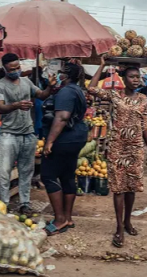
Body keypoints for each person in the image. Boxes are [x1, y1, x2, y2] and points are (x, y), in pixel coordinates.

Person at [88, 57, 147, 248]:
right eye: (131, 77)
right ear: (123, 79)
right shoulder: (114, 95)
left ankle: (127, 222)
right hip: (117, 147)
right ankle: (118, 227)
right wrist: (102, 65)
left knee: (131, 187)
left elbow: (145, 124)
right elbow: (91, 89)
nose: (135, 79)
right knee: (118, 188)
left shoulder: (143, 99)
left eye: (137, 77)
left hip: (135, 148)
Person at [0, 53, 55, 214]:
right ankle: (3, 204)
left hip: (28, 133)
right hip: (8, 134)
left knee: (26, 171)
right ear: (5, 69)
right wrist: (16, 105)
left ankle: (24, 203)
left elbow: (41, 95)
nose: (16, 71)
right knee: (5, 171)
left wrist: (50, 87)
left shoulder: (26, 82)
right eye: (12, 69)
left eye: (18, 67)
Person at [41, 63, 88, 236]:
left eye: (60, 72)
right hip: (77, 137)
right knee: (67, 175)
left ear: (66, 75)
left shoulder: (67, 91)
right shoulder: (75, 89)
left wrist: (49, 142)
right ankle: (67, 218)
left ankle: (59, 219)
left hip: (65, 139)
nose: (58, 74)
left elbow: (62, 117)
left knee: (48, 175)